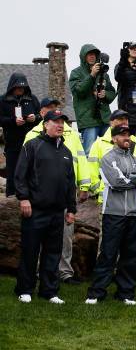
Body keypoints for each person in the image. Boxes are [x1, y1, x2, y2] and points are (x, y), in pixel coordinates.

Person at [24, 97, 90, 285]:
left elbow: (81, 159)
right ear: (43, 113)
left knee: (64, 238)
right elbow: (24, 169)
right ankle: (36, 272)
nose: (56, 113)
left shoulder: (71, 135)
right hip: (39, 197)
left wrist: (84, 186)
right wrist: (25, 197)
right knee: (38, 238)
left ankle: (64, 273)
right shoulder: (31, 136)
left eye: (57, 109)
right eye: (50, 109)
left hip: (64, 195)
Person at [13, 110, 76, 304]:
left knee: (53, 253)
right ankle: (25, 289)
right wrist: (23, 199)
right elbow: (20, 174)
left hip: (57, 212)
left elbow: (69, 182)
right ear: (45, 125)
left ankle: (49, 291)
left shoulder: (66, 152)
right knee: (30, 251)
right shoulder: (32, 146)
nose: (60, 125)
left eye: (62, 122)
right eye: (55, 121)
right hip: (35, 209)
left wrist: (71, 209)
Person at [85, 125, 136, 306]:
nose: (126, 138)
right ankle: (96, 292)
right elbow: (116, 182)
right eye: (122, 135)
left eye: (128, 135)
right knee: (108, 254)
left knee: (130, 255)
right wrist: (135, 179)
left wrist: (130, 178)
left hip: (134, 214)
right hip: (112, 213)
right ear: (114, 138)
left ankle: (126, 294)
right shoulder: (107, 158)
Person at [88, 110, 136, 209]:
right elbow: (91, 170)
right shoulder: (99, 143)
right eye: (121, 119)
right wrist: (98, 191)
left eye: (126, 119)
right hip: (108, 201)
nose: (124, 121)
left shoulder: (135, 142)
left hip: (133, 201)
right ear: (111, 122)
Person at [69, 44, 117, 155]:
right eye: (89, 54)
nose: (92, 57)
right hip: (88, 119)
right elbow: (79, 91)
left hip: (104, 118)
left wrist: (104, 95)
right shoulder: (76, 73)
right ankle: (89, 173)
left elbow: (112, 92)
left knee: (110, 150)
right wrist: (91, 75)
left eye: (94, 55)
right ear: (83, 56)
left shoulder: (104, 73)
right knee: (89, 152)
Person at [0, 72, 41, 197]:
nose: (20, 90)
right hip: (12, 143)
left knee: (31, 171)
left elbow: (42, 116)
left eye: (23, 87)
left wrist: (35, 118)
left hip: (31, 144)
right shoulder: (3, 100)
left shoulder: (32, 99)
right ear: (12, 87)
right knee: (12, 172)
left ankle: (32, 197)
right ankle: (11, 198)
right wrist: (13, 121)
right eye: (18, 87)